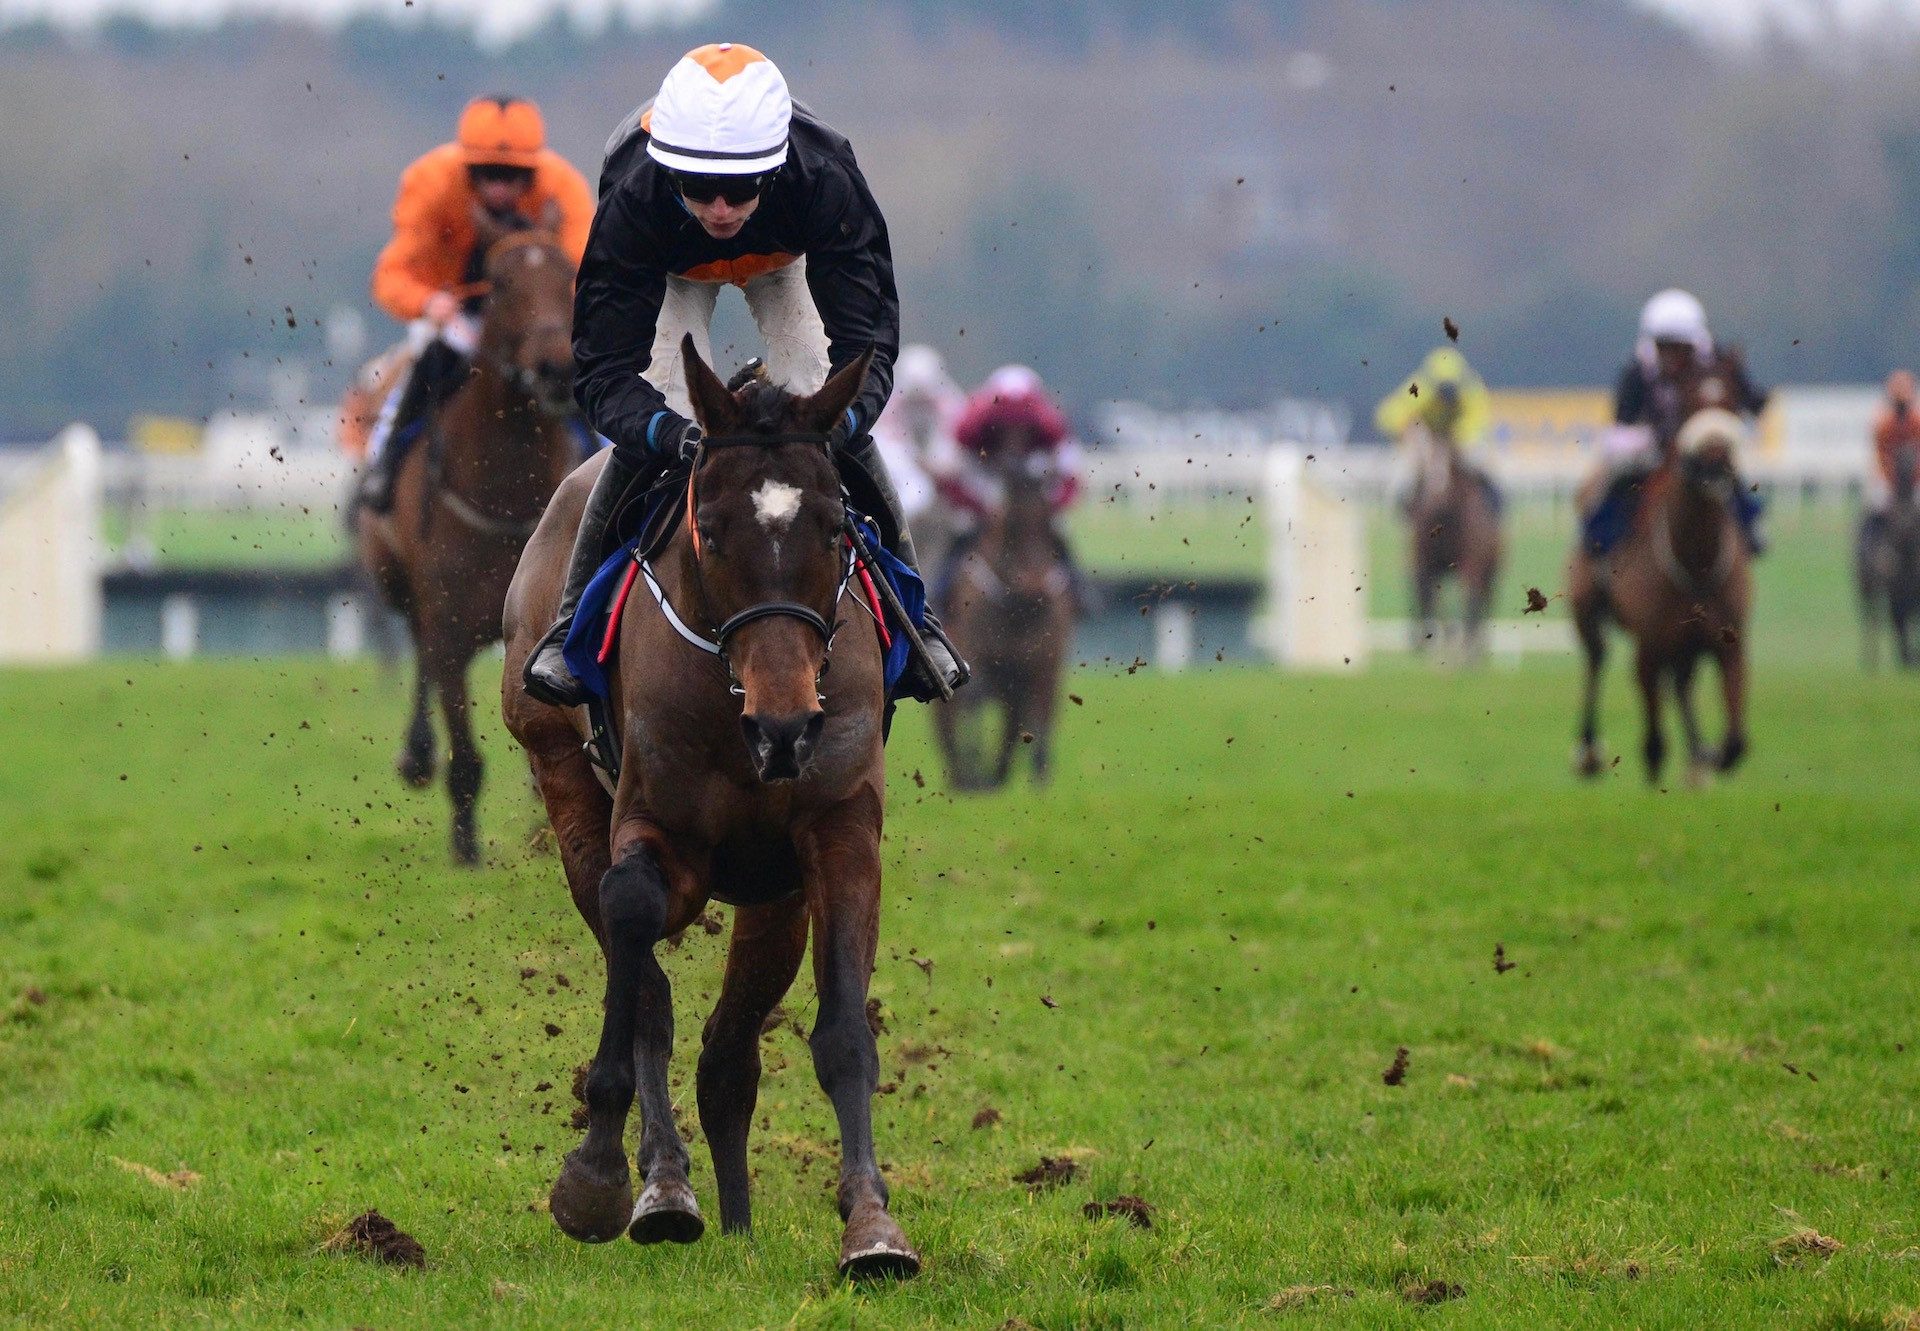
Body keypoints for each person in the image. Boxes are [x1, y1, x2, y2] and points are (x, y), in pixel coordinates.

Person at [522, 43, 967, 706]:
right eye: (699, 189)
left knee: (831, 423)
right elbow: (604, 370)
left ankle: (921, 625)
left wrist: (836, 421)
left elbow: (866, 344)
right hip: (669, 272)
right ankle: (564, 632)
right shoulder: (634, 198)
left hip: (784, 259)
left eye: (742, 188)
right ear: (667, 171)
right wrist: (664, 432)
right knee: (647, 433)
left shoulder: (825, 175)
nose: (722, 209)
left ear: (778, 168)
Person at [359, 95, 595, 512]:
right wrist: (428, 302)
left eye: (514, 175)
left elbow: (589, 274)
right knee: (426, 364)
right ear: (468, 171)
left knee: (580, 374)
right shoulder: (430, 183)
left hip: (533, 321)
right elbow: (389, 277)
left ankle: (602, 467)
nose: (500, 188)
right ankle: (385, 469)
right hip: (456, 315)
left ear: (533, 174)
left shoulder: (565, 190)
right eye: (487, 174)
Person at [1583, 288, 1768, 555]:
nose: (1672, 355)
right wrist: (1646, 441)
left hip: (1701, 449)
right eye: (1664, 346)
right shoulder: (1637, 371)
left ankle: (1750, 528)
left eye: (1679, 346)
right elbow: (1622, 422)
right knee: (1618, 483)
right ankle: (1599, 539)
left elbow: (1752, 402)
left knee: (1728, 478)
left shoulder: (1716, 363)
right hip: (1654, 451)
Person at [1372, 346, 1495, 512]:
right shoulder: (1418, 387)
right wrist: (1407, 429)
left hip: (1457, 437)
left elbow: (1478, 420)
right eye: (1441, 391)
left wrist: (1458, 436)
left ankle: (1493, 505)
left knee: (1478, 459)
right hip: (1426, 438)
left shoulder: (1472, 389)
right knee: (1403, 475)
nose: (1445, 398)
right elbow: (1388, 414)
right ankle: (1403, 513)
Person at [1864, 369, 1920, 550]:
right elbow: (1881, 456)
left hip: (1915, 481)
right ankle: (1869, 553)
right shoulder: (1883, 425)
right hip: (1889, 480)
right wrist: (1890, 479)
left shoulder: (1916, 422)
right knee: (1876, 505)